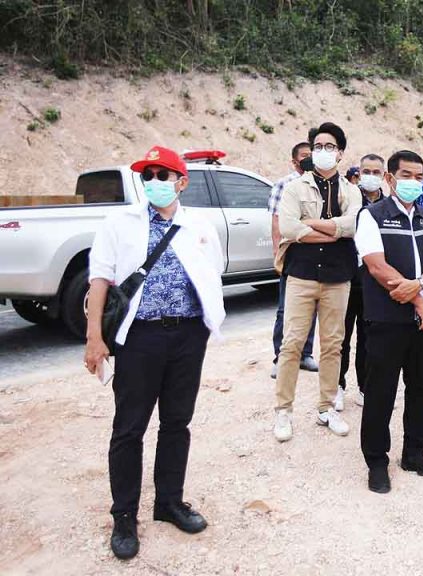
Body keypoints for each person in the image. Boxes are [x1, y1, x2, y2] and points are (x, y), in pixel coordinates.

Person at [84, 146, 225, 560]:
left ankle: (168, 502)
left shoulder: (198, 224)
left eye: (163, 175)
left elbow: (212, 271)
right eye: (148, 175)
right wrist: (94, 337)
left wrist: (206, 324)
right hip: (139, 338)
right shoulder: (119, 223)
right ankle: (124, 516)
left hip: (188, 335)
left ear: (182, 182)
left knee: (177, 422)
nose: (154, 182)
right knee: (129, 428)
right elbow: (100, 278)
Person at [355, 150, 423, 493]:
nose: (413, 182)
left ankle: (414, 453)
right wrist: (419, 300)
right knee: (381, 390)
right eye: (406, 175)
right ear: (390, 178)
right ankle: (377, 462)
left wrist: (419, 285)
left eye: (419, 176)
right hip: (387, 318)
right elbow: (376, 266)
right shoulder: (372, 216)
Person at [272, 122, 362, 442]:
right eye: (318, 146)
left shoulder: (351, 190)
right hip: (301, 274)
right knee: (292, 344)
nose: (324, 151)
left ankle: (326, 407)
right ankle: (284, 411)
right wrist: (332, 231)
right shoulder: (295, 188)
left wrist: (310, 224)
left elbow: (353, 226)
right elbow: (289, 228)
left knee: (333, 344)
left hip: (338, 277)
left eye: (330, 146)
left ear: (340, 153)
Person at [337, 153, 386, 409]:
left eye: (376, 172)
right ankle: (337, 386)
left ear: (384, 175)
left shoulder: (388, 206)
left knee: (369, 338)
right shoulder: (347, 200)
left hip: (373, 281)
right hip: (346, 278)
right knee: (340, 337)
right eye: (366, 171)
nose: (371, 176)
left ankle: (365, 387)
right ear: (358, 174)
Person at [268, 142, 319, 378]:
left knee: (311, 308)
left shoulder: (321, 183)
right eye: (305, 156)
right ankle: (280, 358)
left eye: (312, 155)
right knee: (285, 309)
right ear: (294, 161)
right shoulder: (284, 184)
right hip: (292, 254)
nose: (310, 159)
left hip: (316, 255)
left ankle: (305, 354)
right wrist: (277, 254)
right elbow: (276, 222)